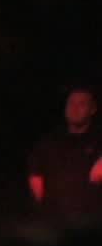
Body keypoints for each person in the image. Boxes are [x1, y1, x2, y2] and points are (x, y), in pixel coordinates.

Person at [28, 87, 102, 227]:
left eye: (81, 104)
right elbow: (36, 177)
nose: (75, 108)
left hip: (93, 226)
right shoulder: (49, 142)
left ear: (92, 109)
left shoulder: (98, 140)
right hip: (55, 226)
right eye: (71, 103)